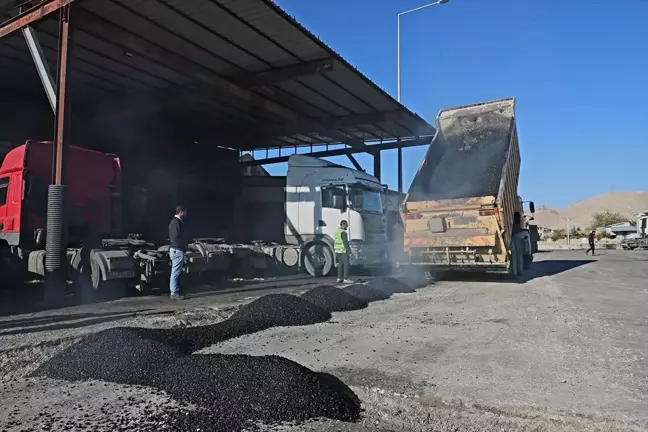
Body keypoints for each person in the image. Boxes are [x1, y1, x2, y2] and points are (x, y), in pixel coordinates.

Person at [168, 205, 188, 299]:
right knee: (175, 272)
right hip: (177, 249)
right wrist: (183, 244)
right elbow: (176, 235)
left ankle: (175, 291)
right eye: (185, 212)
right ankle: (174, 293)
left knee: (175, 272)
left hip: (175, 249)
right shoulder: (176, 222)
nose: (186, 214)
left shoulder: (174, 221)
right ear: (181, 212)